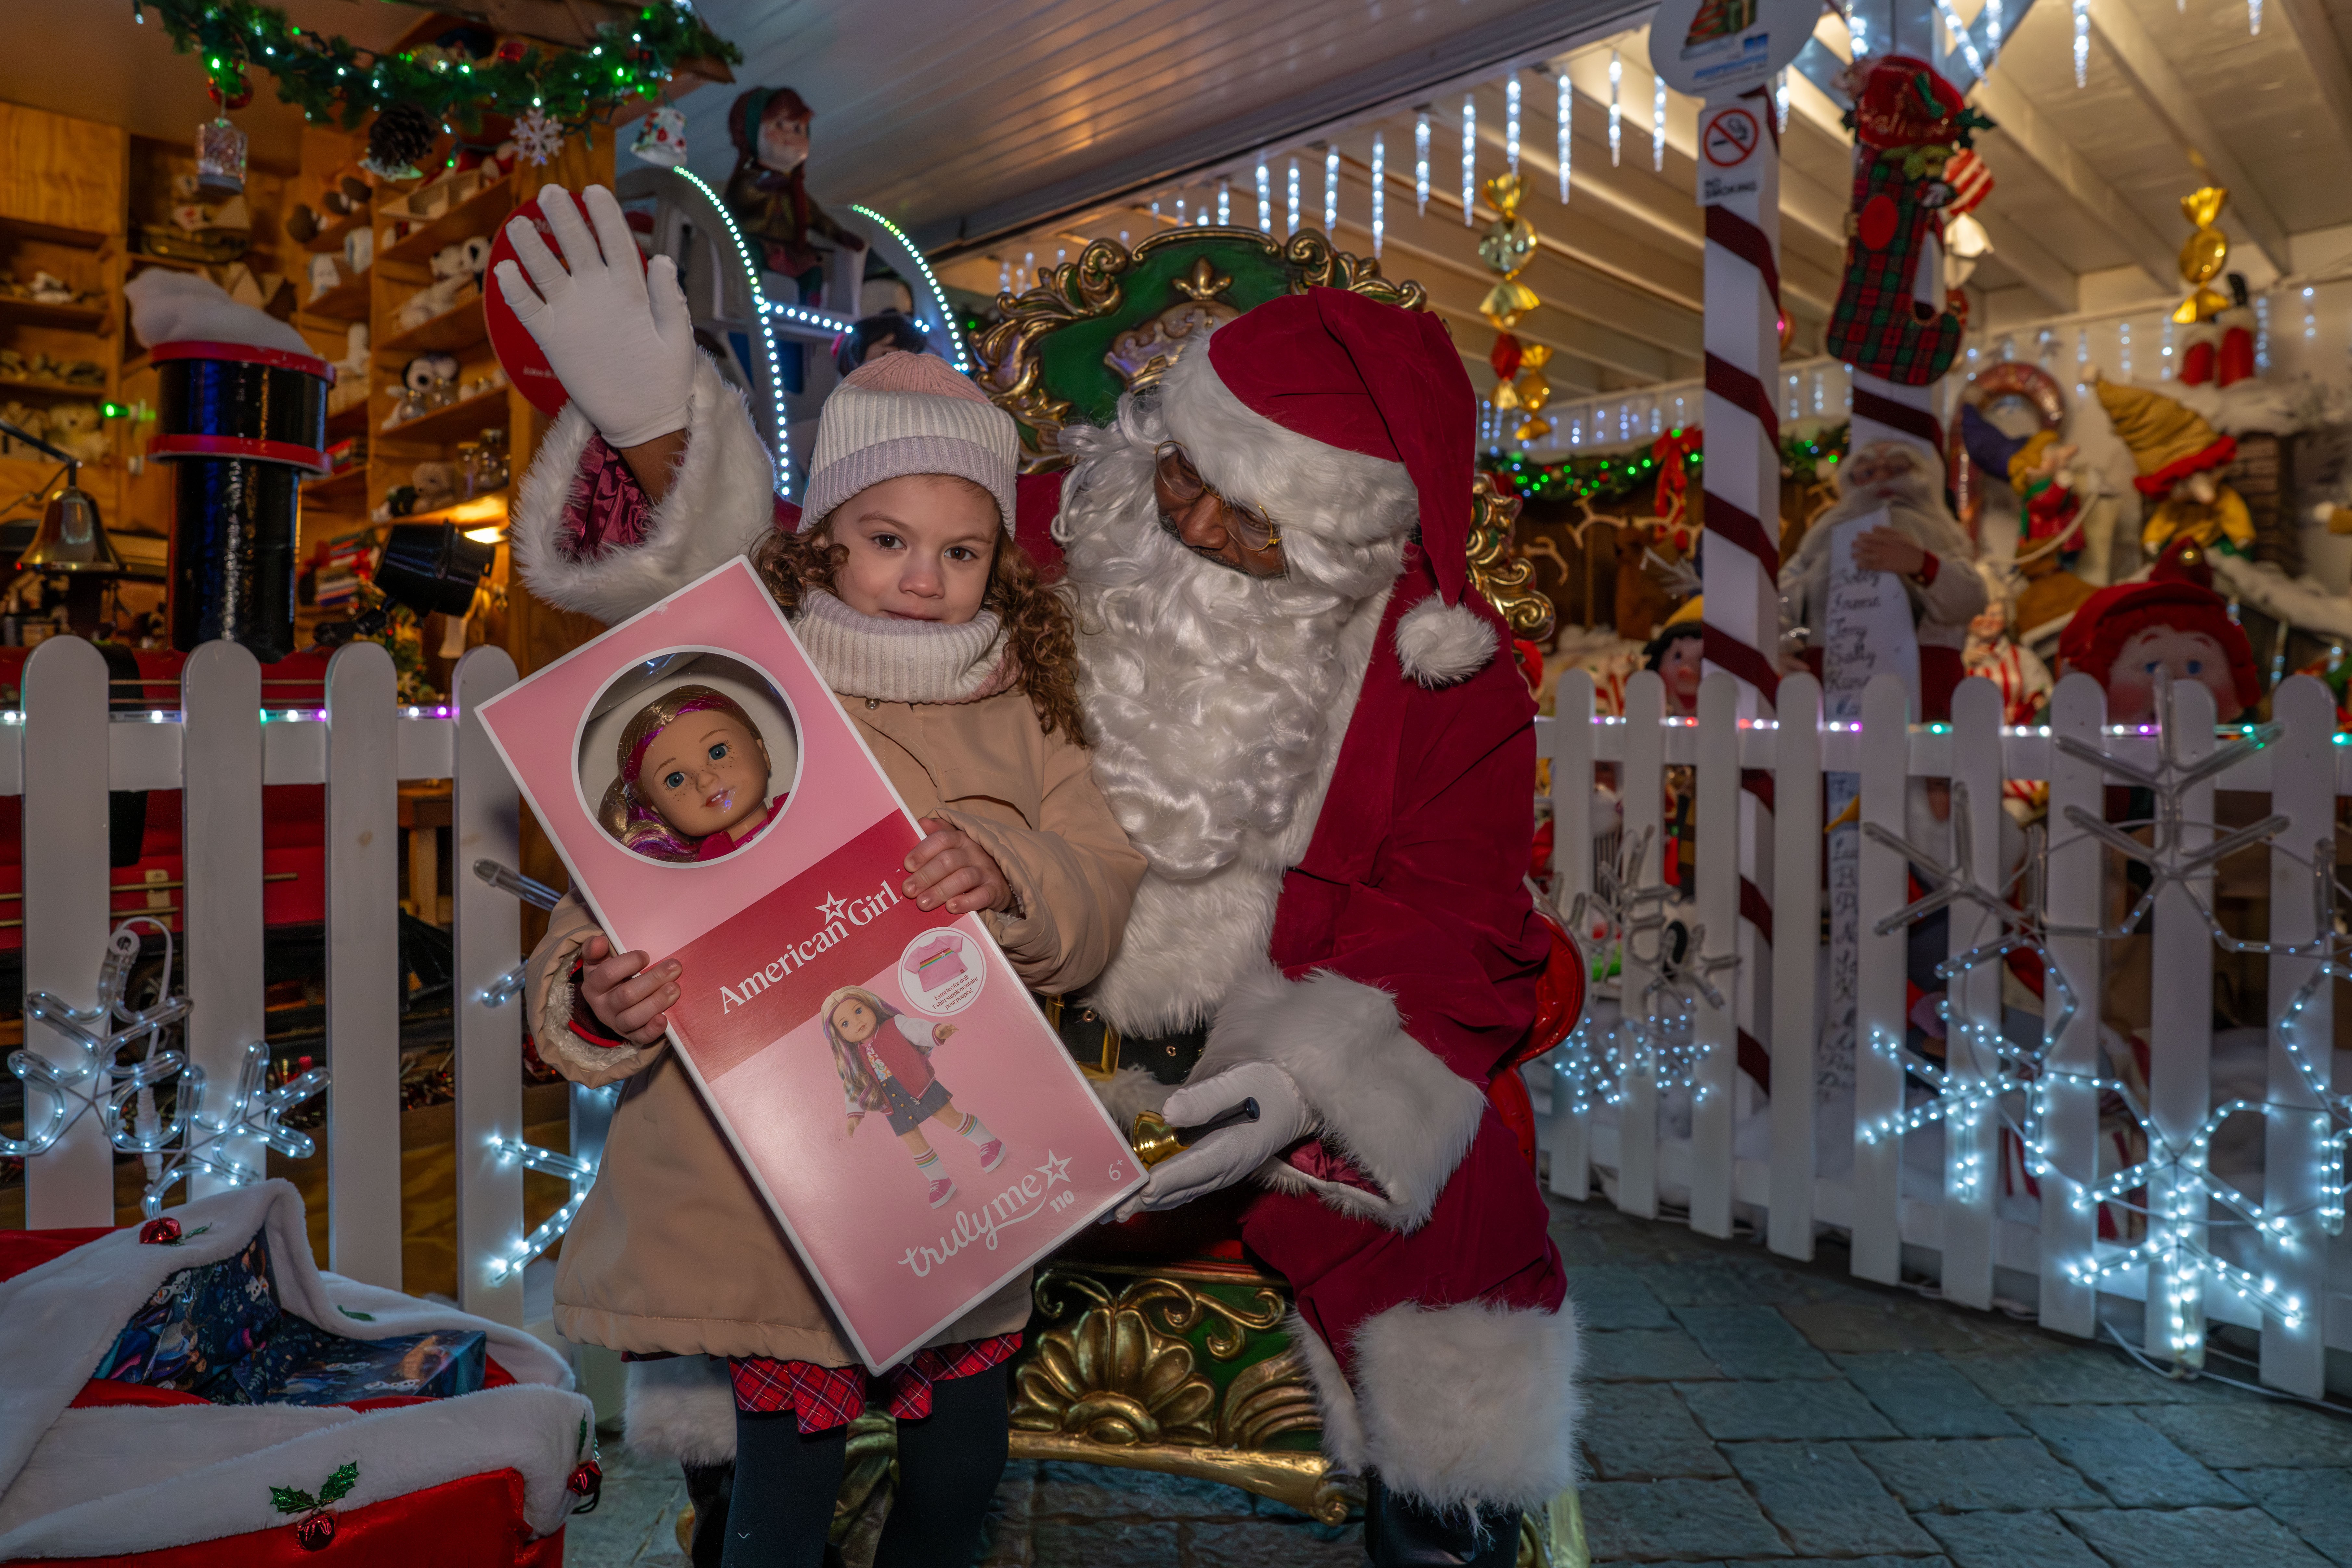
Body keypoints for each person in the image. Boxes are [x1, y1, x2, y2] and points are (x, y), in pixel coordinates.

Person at [496, 181, 1576, 1567]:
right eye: (1178, 471)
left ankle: (1441, 1523)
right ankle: (738, 1502)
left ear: (1346, 545)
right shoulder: (1049, 532)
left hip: (1252, 1049)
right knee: (736, 1151)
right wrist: (661, 434)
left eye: (1247, 525)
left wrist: (1298, 1081)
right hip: (940, 1038)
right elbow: (822, 562)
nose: (1188, 523)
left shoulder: (1446, 685)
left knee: (1458, 1179)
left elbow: (1452, 922)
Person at [494, 186, 1146, 1568]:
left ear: (999, 560)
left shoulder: (1025, 703)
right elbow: (617, 882)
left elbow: (1099, 878)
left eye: (959, 550)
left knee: (958, 1473)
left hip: (946, 1177)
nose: (922, 577)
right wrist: (602, 992)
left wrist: (1012, 872)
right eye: (887, 540)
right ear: (828, 537)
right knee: (779, 1504)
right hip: (766, 1203)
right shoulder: (747, 684)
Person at [1780, 438, 1987, 722]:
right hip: (1835, 689)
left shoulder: (1938, 534)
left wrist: (1922, 564)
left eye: (1896, 469)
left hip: (1924, 694)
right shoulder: (1824, 537)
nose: (1880, 479)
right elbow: (1783, 596)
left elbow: (1971, 599)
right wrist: (1780, 645)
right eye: (1867, 472)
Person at [821, 984, 999, 1208]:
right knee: (914, 1142)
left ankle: (989, 1143)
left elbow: (918, 1030)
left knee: (950, 1118)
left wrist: (937, 1032)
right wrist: (854, 1115)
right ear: (839, 1036)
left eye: (858, 1011)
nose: (857, 1022)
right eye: (845, 1024)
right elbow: (854, 1085)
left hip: (920, 1086)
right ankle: (940, 1181)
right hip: (890, 1101)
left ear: (871, 1005)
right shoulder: (854, 1059)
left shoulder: (895, 1025)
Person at [597, 685, 780, 862]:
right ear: (657, 810)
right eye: (675, 780)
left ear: (763, 754)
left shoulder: (805, 809)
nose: (705, 780)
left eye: (719, 753)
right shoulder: (703, 876)